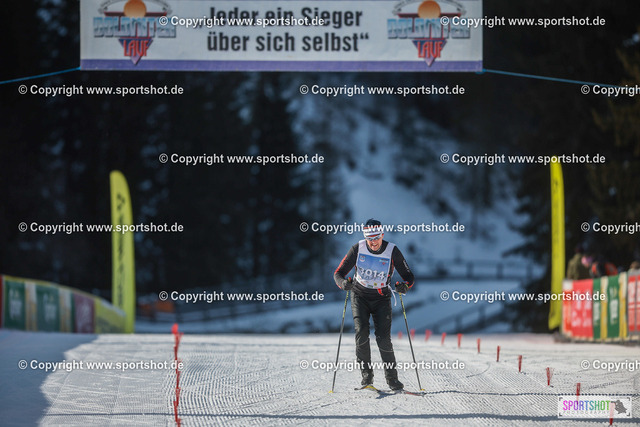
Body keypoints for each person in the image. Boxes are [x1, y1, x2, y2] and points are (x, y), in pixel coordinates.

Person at [333, 218, 415, 390]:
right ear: (365, 237)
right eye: (369, 238)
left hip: (381, 299)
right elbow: (338, 273)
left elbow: (409, 276)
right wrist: (343, 284)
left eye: (376, 237)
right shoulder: (357, 249)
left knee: (383, 339)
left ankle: (392, 379)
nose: (373, 242)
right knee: (361, 334)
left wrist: (405, 286)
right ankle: (367, 377)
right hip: (359, 296)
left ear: (382, 235)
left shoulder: (392, 251)